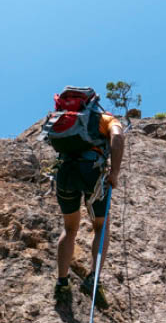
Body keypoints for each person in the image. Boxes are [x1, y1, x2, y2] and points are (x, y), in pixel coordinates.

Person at [53, 109, 124, 307]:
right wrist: (115, 173)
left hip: (64, 172)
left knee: (69, 228)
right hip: (91, 170)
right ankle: (93, 279)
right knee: (101, 226)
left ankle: (62, 283)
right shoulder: (106, 119)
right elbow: (117, 136)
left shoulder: (68, 121)